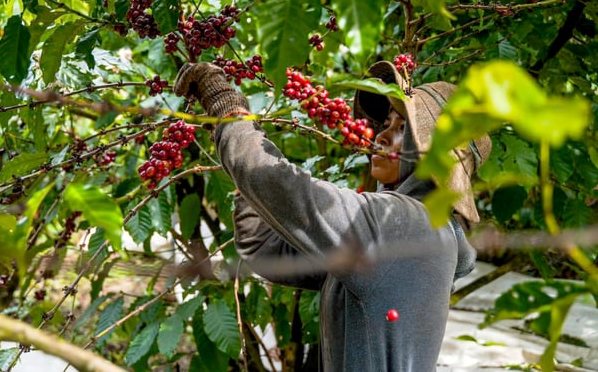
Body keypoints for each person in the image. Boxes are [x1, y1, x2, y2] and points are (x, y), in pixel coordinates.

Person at [173, 59, 491, 371]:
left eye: (402, 129)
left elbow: (285, 189)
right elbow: (267, 250)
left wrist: (228, 110)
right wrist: (247, 179)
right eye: (385, 125)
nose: (380, 137)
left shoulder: (408, 225)